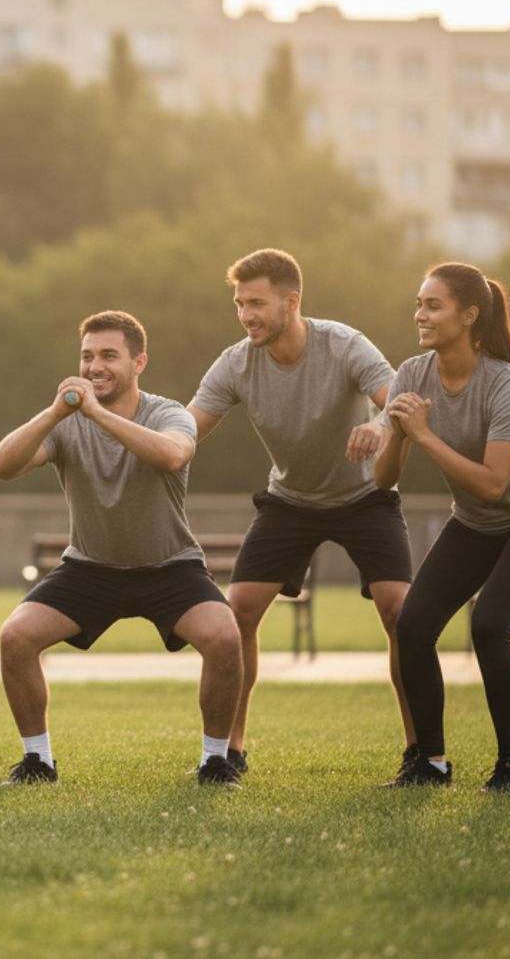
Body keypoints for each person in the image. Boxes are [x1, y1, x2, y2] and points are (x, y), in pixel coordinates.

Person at [0, 310, 244, 787]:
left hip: (170, 568)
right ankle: (38, 762)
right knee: (15, 638)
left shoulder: (167, 413)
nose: (94, 366)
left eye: (108, 355)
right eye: (86, 356)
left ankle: (215, 761)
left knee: (225, 639)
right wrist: (53, 414)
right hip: (90, 570)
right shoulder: (65, 420)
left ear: (138, 362)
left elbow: (171, 456)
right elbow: (1, 467)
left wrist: (97, 415)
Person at [187, 248, 416, 777]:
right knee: (237, 611)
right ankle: (229, 752)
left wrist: (381, 425)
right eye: (240, 304)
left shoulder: (342, 344)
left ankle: (419, 750)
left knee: (401, 614)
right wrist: (128, 433)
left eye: (258, 303)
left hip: (364, 498)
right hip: (290, 501)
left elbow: (398, 396)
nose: (247, 315)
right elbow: (189, 426)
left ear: (292, 301)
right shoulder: (236, 362)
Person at [374, 263, 510, 792]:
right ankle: (430, 764)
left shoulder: (502, 382)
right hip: (475, 524)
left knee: (488, 626)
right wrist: (398, 435)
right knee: (413, 625)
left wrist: (423, 434)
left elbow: (492, 483)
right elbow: (382, 479)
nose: (420, 314)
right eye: (418, 303)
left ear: (468, 315)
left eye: (433, 305)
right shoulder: (412, 373)